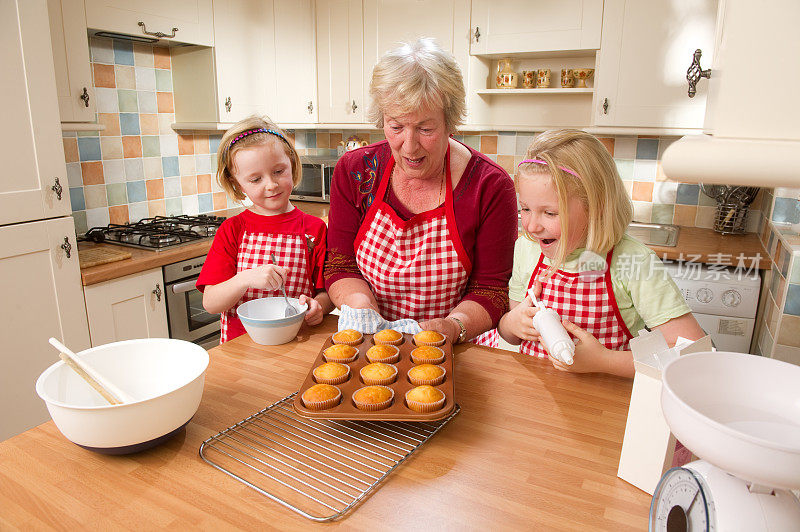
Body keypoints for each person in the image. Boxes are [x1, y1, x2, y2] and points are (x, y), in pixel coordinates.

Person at [324, 38, 518, 343]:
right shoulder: (355, 171)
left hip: (456, 350)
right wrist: (362, 308)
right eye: (396, 126)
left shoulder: (490, 186)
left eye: (426, 129)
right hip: (370, 341)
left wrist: (453, 326)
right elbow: (341, 264)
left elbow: (491, 290)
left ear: (450, 122)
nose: (410, 146)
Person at [495, 129, 705, 377]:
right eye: (526, 209)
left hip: (605, 405)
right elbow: (513, 329)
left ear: (597, 208)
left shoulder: (632, 261)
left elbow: (692, 353)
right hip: (536, 401)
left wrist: (604, 361)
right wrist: (510, 323)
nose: (531, 226)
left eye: (550, 213)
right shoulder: (527, 249)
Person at [197, 116, 333, 343]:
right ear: (236, 183)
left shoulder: (314, 228)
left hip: (297, 344)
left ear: (292, 163)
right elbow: (210, 303)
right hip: (240, 351)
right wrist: (245, 279)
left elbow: (326, 293)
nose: (271, 185)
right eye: (256, 179)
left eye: (279, 171)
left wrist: (319, 307)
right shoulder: (233, 230)